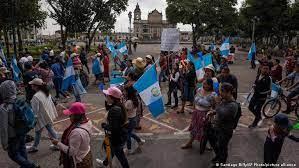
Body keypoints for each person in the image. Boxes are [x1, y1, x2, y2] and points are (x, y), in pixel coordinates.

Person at [0, 80, 40, 168]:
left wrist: (4, 143)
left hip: (12, 135)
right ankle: (25, 166)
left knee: (13, 154)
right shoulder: (19, 101)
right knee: (22, 148)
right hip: (22, 131)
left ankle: (30, 166)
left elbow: (3, 128)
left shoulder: (4, 107)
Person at [51, 102, 93, 168]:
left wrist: (57, 143)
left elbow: (71, 152)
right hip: (86, 153)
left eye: (71, 115)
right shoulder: (88, 121)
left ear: (77, 116)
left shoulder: (77, 132)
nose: (69, 117)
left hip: (79, 160)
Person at [97, 87, 130, 168]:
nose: (106, 97)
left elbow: (114, 128)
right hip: (120, 136)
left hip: (116, 138)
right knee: (112, 151)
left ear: (112, 98)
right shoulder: (118, 105)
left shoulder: (115, 110)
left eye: (107, 95)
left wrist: (104, 125)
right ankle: (105, 163)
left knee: (120, 156)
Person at [207, 83, 238, 167]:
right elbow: (218, 111)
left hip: (225, 131)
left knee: (222, 148)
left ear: (229, 93)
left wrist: (217, 103)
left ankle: (221, 163)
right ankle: (218, 156)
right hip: (217, 127)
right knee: (214, 143)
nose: (220, 93)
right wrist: (213, 112)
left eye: (222, 91)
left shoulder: (233, 105)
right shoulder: (224, 99)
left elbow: (223, 113)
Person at [181, 79, 216, 149]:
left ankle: (206, 143)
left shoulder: (213, 95)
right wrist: (194, 110)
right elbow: (195, 99)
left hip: (205, 115)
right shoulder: (199, 90)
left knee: (205, 130)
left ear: (210, 85)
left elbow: (214, 107)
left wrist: (211, 116)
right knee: (194, 128)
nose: (204, 85)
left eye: (206, 84)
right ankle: (190, 143)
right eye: (203, 83)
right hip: (196, 113)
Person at [27, 78, 59, 153]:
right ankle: (56, 144)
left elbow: (35, 111)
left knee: (39, 132)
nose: (31, 86)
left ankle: (34, 147)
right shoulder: (46, 92)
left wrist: (33, 120)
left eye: (32, 85)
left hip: (41, 117)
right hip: (47, 115)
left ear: (36, 86)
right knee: (50, 130)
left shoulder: (36, 97)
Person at [248, 63, 271, 128]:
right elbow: (255, 82)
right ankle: (258, 116)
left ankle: (255, 123)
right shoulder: (258, 75)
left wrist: (261, 93)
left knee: (258, 110)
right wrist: (254, 85)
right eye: (264, 68)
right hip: (255, 95)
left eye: (267, 69)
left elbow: (269, 89)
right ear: (261, 68)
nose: (265, 70)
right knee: (250, 107)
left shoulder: (268, 78)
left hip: (261, 98)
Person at [124, 86, 145, 154]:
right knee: (130, 133)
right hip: (133, 118)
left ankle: (129, 149)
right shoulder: (135, 99)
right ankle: (139, 141)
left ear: (128, 93)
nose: (124, 92)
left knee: (127, 135)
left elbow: (124, 111)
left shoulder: (129, 102)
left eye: (125, 91)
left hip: (129, 120)